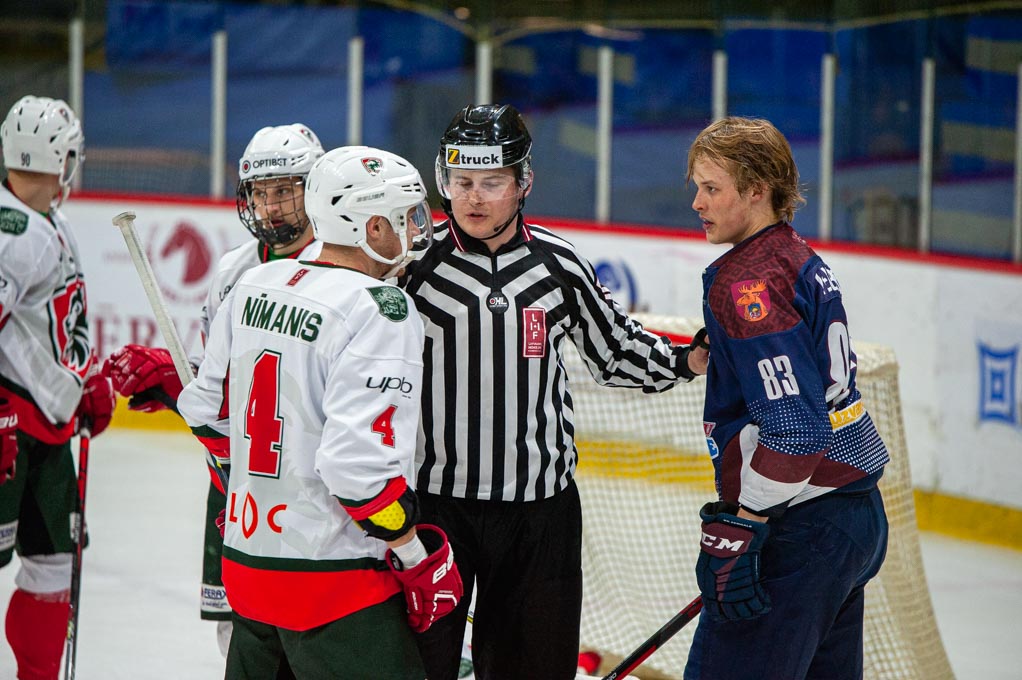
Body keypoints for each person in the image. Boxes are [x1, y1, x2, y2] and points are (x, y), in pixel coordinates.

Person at [399, 103, 709, 680]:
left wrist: (687, 360)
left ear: (523, 183)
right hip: (436, 509)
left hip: (539, 514)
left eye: (492, 182)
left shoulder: (559, 265)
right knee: (419, 668)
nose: (474, 197)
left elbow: (615, 352)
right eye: (462, 181)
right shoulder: (412, 266)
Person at [177, 145, 462, 680]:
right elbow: (357, 471)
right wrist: (414, 555)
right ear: (372, 227)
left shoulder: (254, 285)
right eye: (404, 217)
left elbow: (204, 410)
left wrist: (247, 487)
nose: (414, 230)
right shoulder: (380, 307)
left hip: (246, 566)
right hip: (333, 580)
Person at [103, 123, 325, 659]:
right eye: (261, 193)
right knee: (238, 639)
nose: (272, 207)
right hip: (235, 483)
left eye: (285, 190)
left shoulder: (338, 266)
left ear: (316, 188)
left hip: (312, 489)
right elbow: (220, 379)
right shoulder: (232, 271)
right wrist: (172, 379)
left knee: (315, 637)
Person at [683, 116, 890, 680]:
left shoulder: (748, 282)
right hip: (854, 518)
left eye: (712, 188)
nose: (697, 203)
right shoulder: (796, 256)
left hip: (802, 525)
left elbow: (796, 430)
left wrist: (744, 524)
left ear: (757, 189)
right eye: (697, 187)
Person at [0, 95, 115, 680]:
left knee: (51, 566)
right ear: (60, 159)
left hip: (46, 429)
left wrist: (83, 381)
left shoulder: (52, 223)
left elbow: (58, 325)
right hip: (9, 425)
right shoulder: (10, 233)